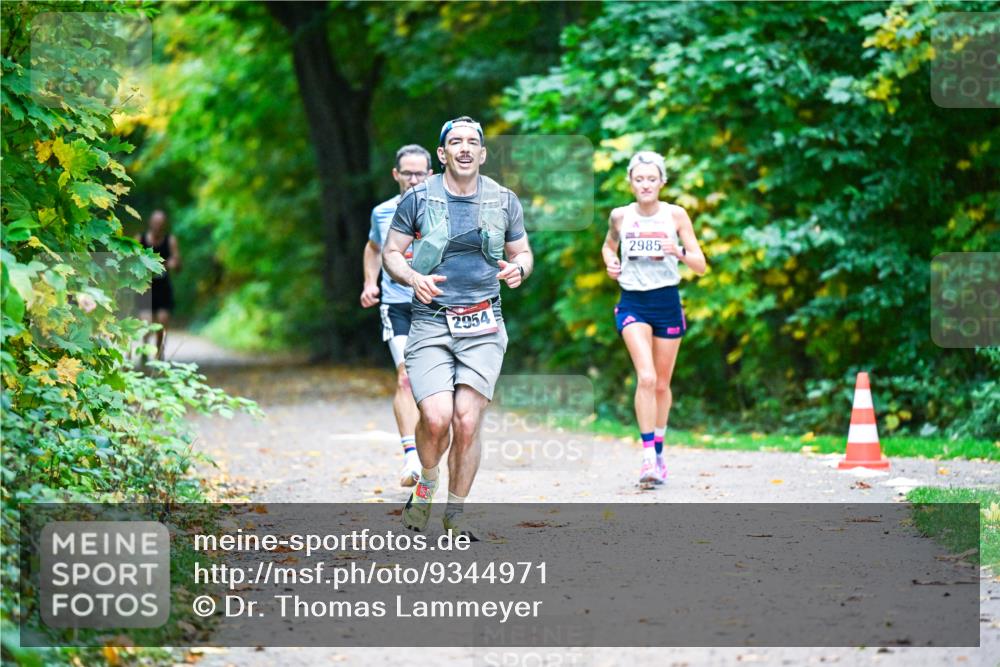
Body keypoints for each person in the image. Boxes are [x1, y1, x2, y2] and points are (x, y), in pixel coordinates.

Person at [382, 116, 532, 540]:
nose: (464, 148)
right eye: (455, 142)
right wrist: (413, 277)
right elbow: (391, 252)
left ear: (482, 154)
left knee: (467, 421)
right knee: (436, 417)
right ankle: (427, 483)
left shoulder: (503, 200)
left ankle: (456, 514)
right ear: (443, 153)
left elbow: (523, 251)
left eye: (472, 142)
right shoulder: (418, 199)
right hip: (431, 320)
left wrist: (520, 268)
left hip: (484, 322)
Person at [601, 151, 706, 486]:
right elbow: (608, 246)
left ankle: (659, 452)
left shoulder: (676, 215)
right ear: (631, 183)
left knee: (661, 383)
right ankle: (647, 456)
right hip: (633, 302)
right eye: (639, 179)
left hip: (667, 301)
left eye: (651, 179)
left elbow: (701, 265)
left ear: (662, 182)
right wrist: (611, 262)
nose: (645, 184)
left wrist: (679, 252)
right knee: (645, 378)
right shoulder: (620, 216)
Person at [360, 145, 433, 487]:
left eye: (420, 174)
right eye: (408, 173)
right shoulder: (382, 213)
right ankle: (411, 458)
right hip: (398, 305)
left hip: (437, 305)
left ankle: (431, 452)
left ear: (430, 175)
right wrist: (369, 283)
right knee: (406, 375)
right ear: (396, 175)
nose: (414, 180)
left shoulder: (445, 210)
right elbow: (373, 248)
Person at [137, 210, 181, 361]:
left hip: (163, 289)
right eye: (156, 223)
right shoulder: (140, 239)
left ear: (165, 225)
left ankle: (159, 353)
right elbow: (129, 261)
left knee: (162, 322)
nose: (158, 226)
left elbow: (178, 263)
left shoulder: (170, 240)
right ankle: (144, 350)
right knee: (146, 322)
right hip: (145, 287)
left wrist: (174, 263)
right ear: (150, 223)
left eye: (161, 224)